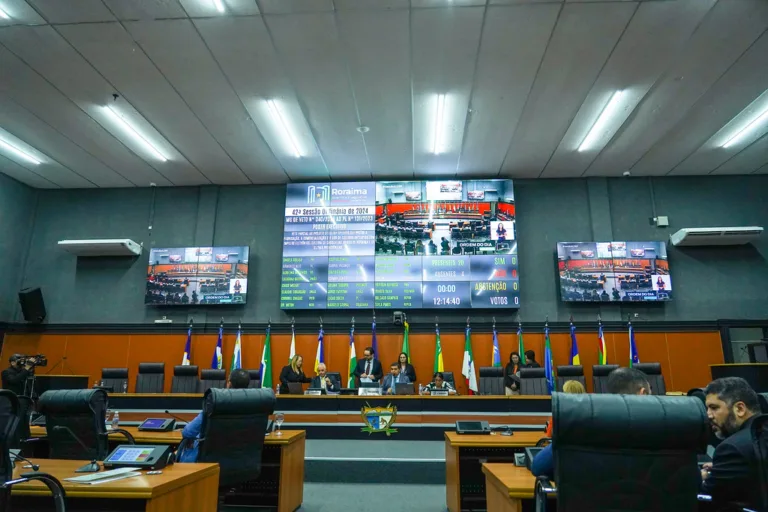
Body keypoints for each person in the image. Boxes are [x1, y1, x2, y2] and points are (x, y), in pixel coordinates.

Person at [532, 368, 649, 478]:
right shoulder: (661, 429)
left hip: (593, 498)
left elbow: (538, 466)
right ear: (643, 394)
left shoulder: (584, 426)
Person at [700, 377, 763, 509]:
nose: (709, 415)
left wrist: (701, 478)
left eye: (714, 408)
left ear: (740, 409)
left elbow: (705, 498)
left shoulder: (731, 449)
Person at [177, 368, 251, 462]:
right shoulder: (254, 404)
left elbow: (188, 432)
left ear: (229, 383)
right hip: (241, 461)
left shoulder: (216, 403)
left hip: (210, 464)